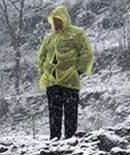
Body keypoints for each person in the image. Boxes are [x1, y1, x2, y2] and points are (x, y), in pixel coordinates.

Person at [37, 6, 94, 140]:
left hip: (70, 80)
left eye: (59, 20)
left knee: (70, 112)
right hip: (52, 81)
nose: (56, 23)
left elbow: (86, 53)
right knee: (54, 112)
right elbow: (41, 56)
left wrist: (79, 70)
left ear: (65, 19)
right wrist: (44, 72)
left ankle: (70, 138)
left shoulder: (76, 33)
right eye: (54, 20)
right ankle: (54, 138)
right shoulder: (50, 38)